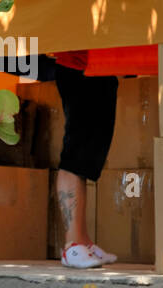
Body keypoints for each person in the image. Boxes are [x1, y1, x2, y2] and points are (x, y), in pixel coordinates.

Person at [50, 50, 119, 269]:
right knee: (75, 155)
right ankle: (72, 245)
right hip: (77, 67)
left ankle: (84, 242)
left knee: (88, 159)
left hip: (101, 69)